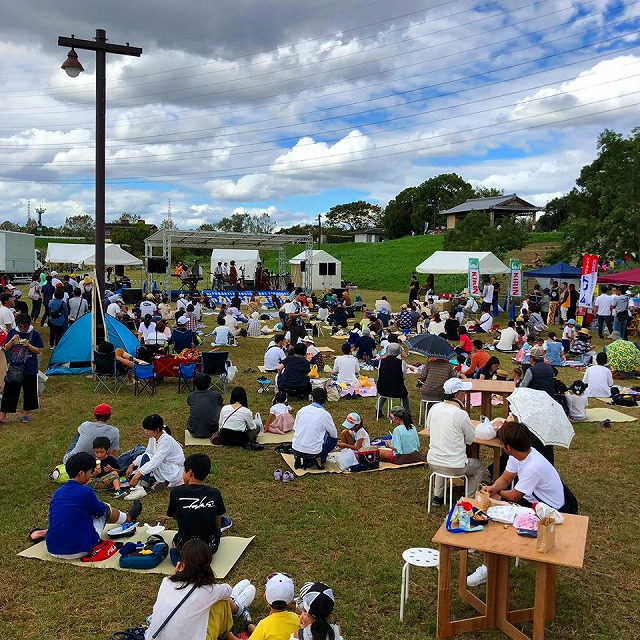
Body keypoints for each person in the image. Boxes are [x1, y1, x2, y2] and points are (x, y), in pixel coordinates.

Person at [467, 421, 578, 588]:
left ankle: (487, 567)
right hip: (536, 500)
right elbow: (505, 478)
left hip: (555, 511)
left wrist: (499, 494)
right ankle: (487, 558)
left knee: (497, 520)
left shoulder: (534, 466)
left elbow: (515, 495)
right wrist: (493, 489)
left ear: (508, 447)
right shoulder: (519, 455)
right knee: (495, 508)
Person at [28, 452, 142, 558]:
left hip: (52, 549)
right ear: (81, 473)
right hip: (79, 550)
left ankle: (47, 533)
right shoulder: (85, 492)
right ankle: (128, 518)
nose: (91, 475)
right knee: (105, 507)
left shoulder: (58, 493)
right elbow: (101, 511)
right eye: (90, 472)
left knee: (73, 517)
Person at [146, 538, 256, 640]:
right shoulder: (208, 591)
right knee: (221, 602)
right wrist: (233, 605)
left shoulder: (166, 581)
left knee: (213, 601)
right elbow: (227, 590)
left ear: (180, 564)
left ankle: (236, 607)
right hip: (221, 601)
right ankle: (236, 610)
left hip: (153, 637)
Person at [426, 378, 484, 507]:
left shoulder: (434, 408)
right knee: (478, 467)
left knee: (443, 454)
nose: (465, 395)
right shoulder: (460, 414)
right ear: (457, 395)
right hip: (455, 467)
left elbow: (429, 429)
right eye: (464, 392)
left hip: (432, 462)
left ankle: (438, 497)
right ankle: (468, 501)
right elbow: (470, 440)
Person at [166, 454, 227, 564]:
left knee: (175, 541)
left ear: (189, 473)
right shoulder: (214, 493)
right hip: (210, 547)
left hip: (184, 545)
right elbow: (218, 520)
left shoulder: (176, 492)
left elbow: (173, 515)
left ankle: (180, 557)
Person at [125, 415, 185, 500]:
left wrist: (137, 475)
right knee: (144, 460)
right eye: (145, 429)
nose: (145, 432)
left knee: (147, 462)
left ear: (156, 430)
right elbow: (147, 452)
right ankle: (155, 482)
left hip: (173, 469)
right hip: (163, 466)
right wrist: (132, 464)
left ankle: (140, 488)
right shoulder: (153, 437)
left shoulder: (166, 440)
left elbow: (155, 461)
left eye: (148, 430)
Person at [0, 313, 44, 425]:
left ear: (29, 325)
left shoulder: (35, 334)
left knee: (29, 391)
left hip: (30, 367)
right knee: (10, 391)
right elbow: (5, 348)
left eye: (25, 327)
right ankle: (3, 416)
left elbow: (38, 350)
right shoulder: (12, 332)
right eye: (20, 327)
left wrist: (28, 345)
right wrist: (12, 341)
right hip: (15, 366)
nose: (22, 329)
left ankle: (25, 414)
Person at [291, 387, 338, 470]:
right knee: (333, 440)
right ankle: (319, 457)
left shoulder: (302, 410)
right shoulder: (325, 414)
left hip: (295, 448)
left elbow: (295, 428)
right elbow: (334, 435)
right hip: (313, 451)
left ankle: (299, 457)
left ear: (312, 397)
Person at [245, 573, 299, 639]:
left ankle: (248, 625)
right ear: (291, 600)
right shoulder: (296, 618)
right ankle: (249, 626)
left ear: (265, 598)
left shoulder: (263, 625)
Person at [376, 342, 411, 415]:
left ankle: (378, 409)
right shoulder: (402, 363)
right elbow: (404, 376)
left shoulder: (381, 362)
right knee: (405, 396)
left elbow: (379, 375)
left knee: (384, 389)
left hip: (382, 388)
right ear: (398, 352)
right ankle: (407, 413)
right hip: (397, 389)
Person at [187, 374, 223, 439]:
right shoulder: (216, 395)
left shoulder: (191, 396)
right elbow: (221, 405)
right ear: (209, 383)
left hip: (193, 430)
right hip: (212, 431)